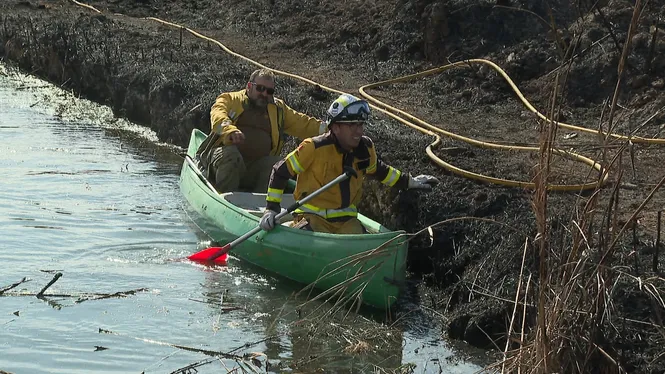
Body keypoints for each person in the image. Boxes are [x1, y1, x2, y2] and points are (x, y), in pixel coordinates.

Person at [258, 93, 439, 235]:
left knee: (366, 248)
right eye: (352, 125)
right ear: (335, 127)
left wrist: (410, 181)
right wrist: (271, 209)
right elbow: (280, 172)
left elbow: (381, 172)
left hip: (346, 222)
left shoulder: (365, 148)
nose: (358, 130)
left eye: (360, 125)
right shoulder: (313, 147)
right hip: (312, 220)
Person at [197, 68, 326, 193]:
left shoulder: (278, 109)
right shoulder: (230, 99)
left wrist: (330, 129)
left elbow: (304, 124)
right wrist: (230, 130)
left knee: (277, 164)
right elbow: (218, 114)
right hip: (224, 162)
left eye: (269, 91)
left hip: (255, 168)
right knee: (231, 156)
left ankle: (262, 205)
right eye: (260, 88)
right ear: (249, 86)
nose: (264, 94)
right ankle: (224, 198)